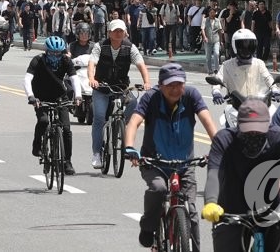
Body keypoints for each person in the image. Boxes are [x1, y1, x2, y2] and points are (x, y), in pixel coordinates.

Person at [121, 63, 218, 250]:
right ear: (160, 85)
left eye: (179, 84)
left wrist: (218, 146)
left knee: (191, 213)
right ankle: (149, 227)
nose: (175, 89)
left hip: (185, 163)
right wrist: (130, 147)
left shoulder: (191, 96)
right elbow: (134, 122)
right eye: (170, 85)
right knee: (157, 189)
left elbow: (208, 120)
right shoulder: (151, 98)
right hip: (154, 162)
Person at [201, 98, 280, 251]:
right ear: (238, 124)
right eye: (248, 129)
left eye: (259, 129)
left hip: (270, 207)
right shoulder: (224, 139)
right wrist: (210, 202)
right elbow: (213, 174)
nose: (254, 133)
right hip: (231, 209)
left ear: (269, 124)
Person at [87, 19, 152, 169]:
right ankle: (97, 153)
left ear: (125, 32)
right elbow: (92, 63)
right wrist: (92, 79)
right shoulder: (100, 46)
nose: (118, 33)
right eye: (115, 30)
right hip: (102, 88)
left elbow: (141, 65)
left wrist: (147, 82)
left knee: (135, 106)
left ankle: (124, 134)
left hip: (121, 88)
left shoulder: (130, 47)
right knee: (98, 118)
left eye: (121, 31)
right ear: (109, 32)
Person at [24, 36, 78, 175]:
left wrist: (78, 96)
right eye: (52, 53)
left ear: (63, 52)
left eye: (58, 53)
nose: (55, 56)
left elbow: (74, 78)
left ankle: (67, 161)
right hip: (40, 97)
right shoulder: (38, 60)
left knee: (66, 129)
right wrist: (31, 96)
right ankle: (37, 146)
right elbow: (27, 78)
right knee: (43, 121)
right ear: (46, 51)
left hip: (60, 96)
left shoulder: (66, 61)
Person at [210, 29, 280, 107]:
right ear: (235, 46)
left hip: (256, 105)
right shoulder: (227, 65)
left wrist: (275, 90)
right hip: (235, 107)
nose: (246, 48)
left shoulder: (259, 63)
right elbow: (219, 80)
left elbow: (268, 78)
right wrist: (216, 92)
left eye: (249, 45)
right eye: (242, 45)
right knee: (223, 119)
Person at [202, 6, 223, 75]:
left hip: (216, 39)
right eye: (211, 13)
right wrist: (205, 37)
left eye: (213, 13)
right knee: (208, 56)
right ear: (209, 13)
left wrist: (221, 41)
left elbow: (220, 30)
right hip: (208, 40)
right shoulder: (205, 20)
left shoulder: (217, 20)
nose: (212, 14)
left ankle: (216, 69)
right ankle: (209, 70)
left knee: (216, 54)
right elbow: (203, 29)